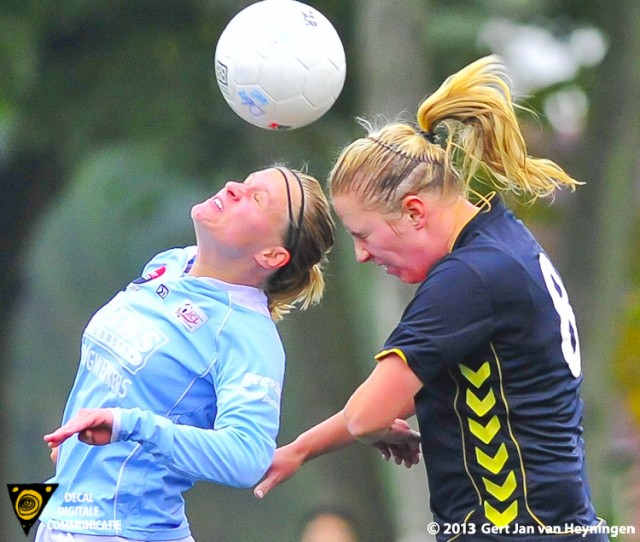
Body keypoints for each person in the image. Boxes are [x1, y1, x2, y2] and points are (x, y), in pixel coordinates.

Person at [253, 56, 610, 541]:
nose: (360, 255)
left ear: (414, 212)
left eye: (364, 235)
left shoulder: (468, 278)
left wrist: (377, 426)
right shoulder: (502, 243)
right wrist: (301, 449)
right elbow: (386, 405)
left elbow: (367, 414)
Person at [36, 166, 336, 542]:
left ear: (272, 255)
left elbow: (248, 456)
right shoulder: (174, 263)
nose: (232, 187)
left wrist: (130, 424)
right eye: (245, 182)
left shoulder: (247, 335)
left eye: (257, 198)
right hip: (62, 515)